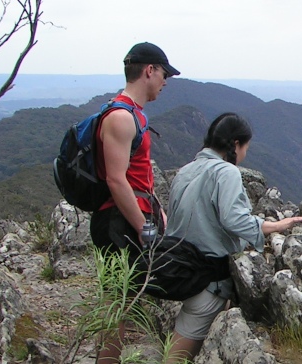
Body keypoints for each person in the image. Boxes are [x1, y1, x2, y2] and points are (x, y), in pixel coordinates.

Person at [162, 113, 302, 362]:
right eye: (246, 147)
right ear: (236, 145)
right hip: (207, 279)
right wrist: (273, 226)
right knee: (176, 357)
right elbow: (234, 219)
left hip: (179, 268)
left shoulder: (186, 170)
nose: (245, 154)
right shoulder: (226, 172)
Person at [90, 41, 179, 364]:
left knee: (124, 305)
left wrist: (158, 213)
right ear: (149, 71)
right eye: (164, 73)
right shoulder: (121, 118)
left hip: (129, 219)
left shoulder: (133, 115)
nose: (165, 81)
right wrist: (144, 228)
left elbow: (137, 176)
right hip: (117, 223)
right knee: (119, 304)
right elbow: (116, 180)